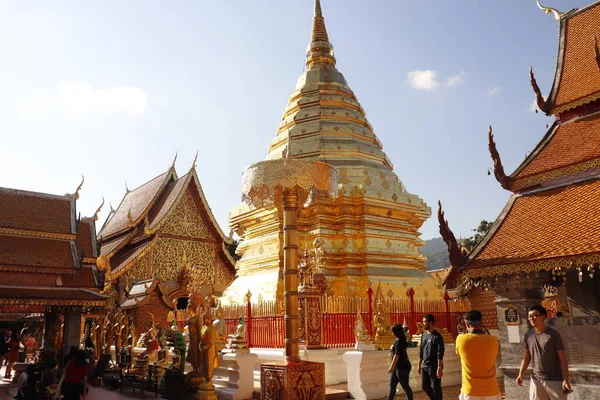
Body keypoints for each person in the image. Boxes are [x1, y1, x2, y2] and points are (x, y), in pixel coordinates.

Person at [516, 304, 572, 399]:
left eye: (534, 315)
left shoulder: (553, 335)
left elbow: (563, 358)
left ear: (543, 316)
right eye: (529, 316)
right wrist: (520, 375)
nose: (531, 318)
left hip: (554, 380)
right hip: (536, 380)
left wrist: (566, 379)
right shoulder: (528, 335)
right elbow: (526, 357)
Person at [455, 310, 501, 400]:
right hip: (491, 391)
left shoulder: (461, 339)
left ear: (467, 324)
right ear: (482, 322)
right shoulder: (494, 340)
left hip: (470, 391)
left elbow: (458, 352)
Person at [417, 314, 444, 400]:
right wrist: (419, 365)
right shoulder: (424, 335)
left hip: (434, 366)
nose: (423, 324)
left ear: (430, 323)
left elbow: (440, 353)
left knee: (436, 388)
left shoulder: (437, 336)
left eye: (425, 322)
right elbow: (421, 351)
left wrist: (439, 367)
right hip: (425, 365)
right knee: (424, 386)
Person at [387, 324, 413, 400]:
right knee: (392, 385)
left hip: (402, 367)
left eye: (393, 332)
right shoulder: (397, 341)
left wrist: (391, 367)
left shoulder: (400, 342)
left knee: (405, 386)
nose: (392, 333)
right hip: (396, 367)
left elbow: (396, 355)